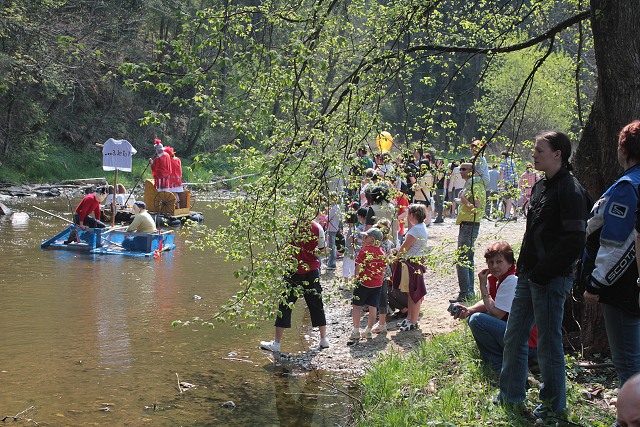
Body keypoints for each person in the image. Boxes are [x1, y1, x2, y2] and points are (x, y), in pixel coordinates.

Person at [497, 131, 590, 422]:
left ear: (558, 154)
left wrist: (543, 272)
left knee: (549, 344)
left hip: (552, 279)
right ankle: (510, 396)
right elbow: (532, 235)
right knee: (514, 335)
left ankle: (553, 407)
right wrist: (526, 271)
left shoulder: (570, 190)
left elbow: (575, 239)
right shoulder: (540, 187)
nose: (534, 155)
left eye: (539, 150)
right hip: (529, 275)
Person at [583, 119, 640, 387]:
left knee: (628, 363)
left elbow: (618, 243)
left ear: (623, 149)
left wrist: (596, 284)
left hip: (623, 288)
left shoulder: (627, 187)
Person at [452, 242, 537, 372]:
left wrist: (482, 286)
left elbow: (497, 313)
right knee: (474, 317)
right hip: (520, 337)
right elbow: (491, 302)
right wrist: (469, 310)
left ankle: (499, 366)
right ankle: (504, 362)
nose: (494, 266)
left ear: (510, 263)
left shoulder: (511, 280)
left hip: (528, 344)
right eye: (491, 262)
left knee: (477, 320)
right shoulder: (498, 278)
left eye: (499, 262)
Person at [260, 219, 329, 352]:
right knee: (316, 304)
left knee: (285, 306)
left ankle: (277, 344)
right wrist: (310, 255)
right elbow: (323, 250)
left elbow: (283, 249)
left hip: (293, 271)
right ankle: (323, 339)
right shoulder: (317, 227)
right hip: (312, 271)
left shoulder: (290, 225)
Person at [450, 162, 485, 303]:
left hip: (470, 224)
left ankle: (465, 293)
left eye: (464, 169)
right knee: (468, 258)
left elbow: (477, 207)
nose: (461, 171)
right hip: (469, 224)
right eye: (460, 169)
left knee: (462, 260)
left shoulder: (474, 184)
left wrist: (463, 200)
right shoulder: (473, 184)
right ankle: (469, 292)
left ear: (472, 171)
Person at [392, 203, 429, 331]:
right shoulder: (420, 227)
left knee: (414, 293)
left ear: (413, 215)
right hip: (413, 262)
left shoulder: (415, 230)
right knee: (409, 293)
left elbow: (404, 249)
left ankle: (413, 321)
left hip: (412, 264)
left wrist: (395, 258)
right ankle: (409, 318)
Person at [347, 227, 387, 344]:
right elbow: (383, 269)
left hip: (363, 283)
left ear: (372, 239)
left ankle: (355, 331)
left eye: (366, 237)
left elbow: (358, 266)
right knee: (373, 307)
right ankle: (368, 330)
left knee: (356, 306)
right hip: (377, 284)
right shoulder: (381, 253)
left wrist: (356, 278)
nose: (363, 238)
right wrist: (379, 279)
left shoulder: (364, 251)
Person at [371, 219, 394, 333]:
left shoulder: (378, 245)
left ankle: (381, 323)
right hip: (385, 273)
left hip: (379, 273)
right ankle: (381, 321)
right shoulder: (389, 243)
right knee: (383, 297)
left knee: (381, 298)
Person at [499, 150, 518, 220]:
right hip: (515, 181)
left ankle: (507, 215)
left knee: (508, 198)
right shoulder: (512, 161)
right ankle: (515, 215)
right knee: (514, 198)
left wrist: (500, 183)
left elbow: (501, 173)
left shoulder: (503, 162)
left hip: (508, 182)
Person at [433, 158, 446, 223]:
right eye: (437, 162)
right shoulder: (435, 170)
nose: (438, 163)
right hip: (435, 188)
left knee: (440, 203)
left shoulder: (442, 170)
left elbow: (439, 178)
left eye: (439, 162)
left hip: (440, 188)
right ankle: (440, 216)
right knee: (436, 203)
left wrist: (439, 169)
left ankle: (439, 217)